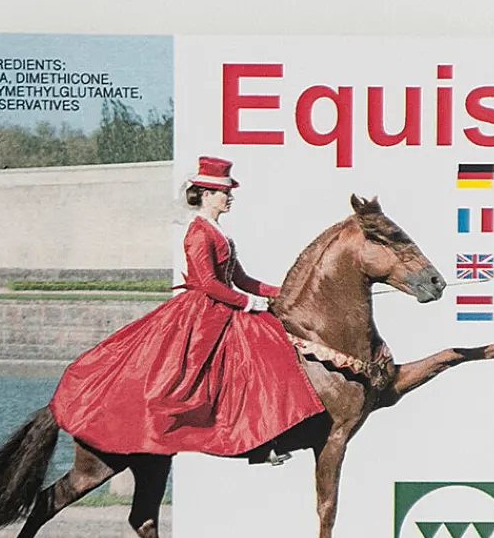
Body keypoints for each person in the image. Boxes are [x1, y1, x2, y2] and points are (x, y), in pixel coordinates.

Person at [49, 156, 323, 459]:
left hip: (223, 306)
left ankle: (263, 436)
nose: (229, 198)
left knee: (266, 346)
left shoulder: (218, 231)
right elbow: (207, 283)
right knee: (236, 359)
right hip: (203, 313)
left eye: (228, 192)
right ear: (207, 195)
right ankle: (245, 440)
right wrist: (248, 302)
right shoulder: (198, 232)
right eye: (224, 193)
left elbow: (241, 279)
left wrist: (286, 294)